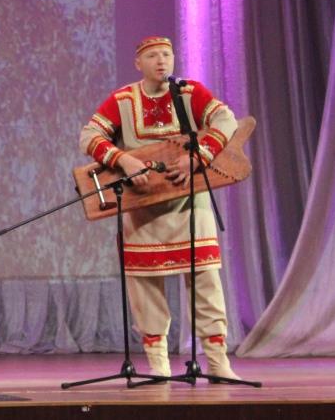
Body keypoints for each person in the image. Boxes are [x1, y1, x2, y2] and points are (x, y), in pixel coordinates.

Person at [78, 36, 240, 380]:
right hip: (142, 209)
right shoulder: (123, 100)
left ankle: (218, 362)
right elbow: (89, 136)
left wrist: (199, 156)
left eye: (166, 54)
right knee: (145, 286)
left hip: (189, 205)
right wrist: (123, 159)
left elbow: (226, 120)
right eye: (152, 56)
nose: (161, 61)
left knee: (205, 280)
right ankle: (158, 365)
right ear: (138, 63)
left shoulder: (189, 92)